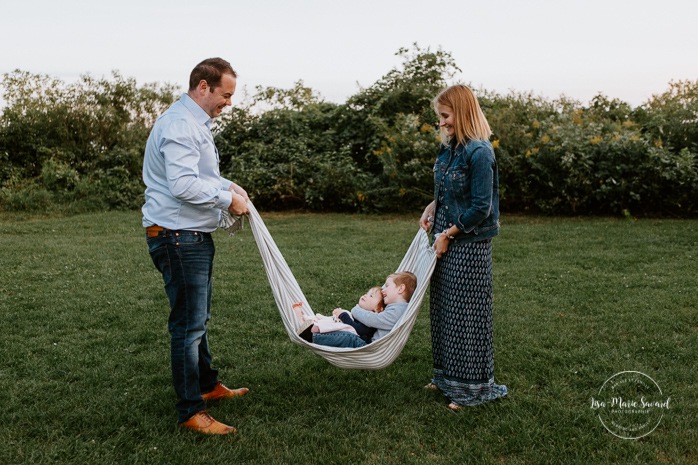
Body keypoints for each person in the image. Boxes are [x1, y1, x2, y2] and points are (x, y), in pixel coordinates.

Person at [142, 58, 251, 435]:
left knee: (196, 321)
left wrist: (228, 186)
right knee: (188, 327)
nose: (229, 103)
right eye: (225, 95)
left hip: (188, 235)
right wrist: (226, 201)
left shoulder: (193, 123)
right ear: (203, 87)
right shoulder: (179, 125)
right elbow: (183, 185)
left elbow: (200, 176)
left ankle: (207, 387)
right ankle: (191, 410)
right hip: (177, 237)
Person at [419, 84, 508, 411]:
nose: (441, 122)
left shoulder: (480, 152)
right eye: (439, 117)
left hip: (468, 244)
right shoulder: (450, 149)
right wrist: (432, 209)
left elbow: (481, 207)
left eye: (445, 115)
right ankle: (445, 378)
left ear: (463, 112)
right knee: (444, 309)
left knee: (466, 315)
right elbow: (448, 190)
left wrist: (448, 234)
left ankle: (471, 390)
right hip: (443, 237)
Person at [311, 272, 417, 348]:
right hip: (370, 343)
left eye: (387, 286)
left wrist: (356, 310)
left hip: (372, 348)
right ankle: (317, 326)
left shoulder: (398, 311)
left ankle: (313, 337)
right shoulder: (397, 308)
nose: (383, 290)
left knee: (348, 338)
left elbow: (373, 319)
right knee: (345, 331)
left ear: (400, 289)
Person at [293, 286, 385, 344]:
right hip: (350, 333)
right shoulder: (362, 313)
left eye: (371, 296)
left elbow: (359, 330)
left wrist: (343, 315)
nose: (365, 295)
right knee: (337, 324)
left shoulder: (371, 319)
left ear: (377, 309)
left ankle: (311, 334)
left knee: (345, 334)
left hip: (359, 342)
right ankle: (306, 320)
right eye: (367, 293)